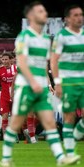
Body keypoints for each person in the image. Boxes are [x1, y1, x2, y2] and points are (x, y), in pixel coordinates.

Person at [0, 2, 80, 167]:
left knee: (49, 122)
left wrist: (50, 83)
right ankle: (6, 158)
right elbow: (21, 63)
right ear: (30, 16)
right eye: (41, 11)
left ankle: (61, 158)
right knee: (15, 123)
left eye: (45, 11)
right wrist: (33, 82)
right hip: (26, 87)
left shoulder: (45, 39)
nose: (45, 14)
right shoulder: (24, 37)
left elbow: (45, 65)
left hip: (41, 88)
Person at [51, 4, 84, 157]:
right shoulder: (61, 36)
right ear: (68, 19)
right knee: (69, 116)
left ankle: (77, 133)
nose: (79, 18)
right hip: (68, 82)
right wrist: (57, 83)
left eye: (81, 14)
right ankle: (70, 154)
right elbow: (54, 60)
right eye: (75, 15)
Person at [0, 52, 16, 134]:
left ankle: (15, 134)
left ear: (11, 60)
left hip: (16, 96)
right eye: (3, 59)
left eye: (6, 59)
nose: (4, 61)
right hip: (4, 97)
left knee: (15, 117)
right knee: (4, 117)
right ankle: (5, 136)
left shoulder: (17, 69)